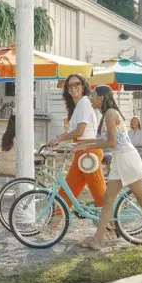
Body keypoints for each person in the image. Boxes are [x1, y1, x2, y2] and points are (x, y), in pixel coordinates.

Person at [74, 85, 142, 250]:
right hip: (119, 159)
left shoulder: (110, 114)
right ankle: (97, 241)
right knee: (107, 199)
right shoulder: (106, 114)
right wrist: (81, 144)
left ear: (101, 98)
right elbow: (104, 141)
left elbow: (111, 142)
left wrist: (85, 145)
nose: (90, 99)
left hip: (126, 158)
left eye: (93, 96)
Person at [46, 73, 106, 208]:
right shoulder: (78, 106)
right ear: (67, 89)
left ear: (83, 87)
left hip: (88, 151)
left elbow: (80, 131)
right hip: (82, 151)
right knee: (68, 189)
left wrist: (59, 139)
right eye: (70, 85)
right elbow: (72, 131)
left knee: (98, 192)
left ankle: (111, 219)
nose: (73, 87)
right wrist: (56, 139)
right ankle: (56, 219)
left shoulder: (84, 102)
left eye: (77, 84)